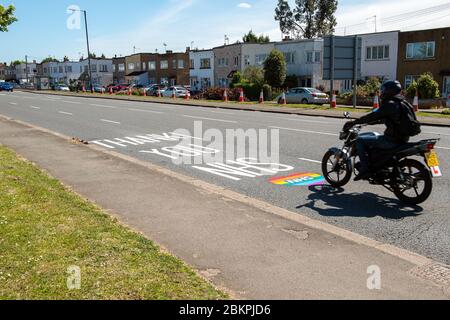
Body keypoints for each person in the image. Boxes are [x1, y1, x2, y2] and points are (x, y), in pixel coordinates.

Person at [343, 80, 412, 181]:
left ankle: (365, 169)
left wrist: (354, 122)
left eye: (383, 90)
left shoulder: (390, 104)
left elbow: (373, 115)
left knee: (360, 140)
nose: (382, 92)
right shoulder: (402, 103)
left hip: (391, 140)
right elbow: (385, 118)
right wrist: (370, 122)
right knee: (373, 137)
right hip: (402, 139)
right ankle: (378, 166)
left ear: (389, 91)